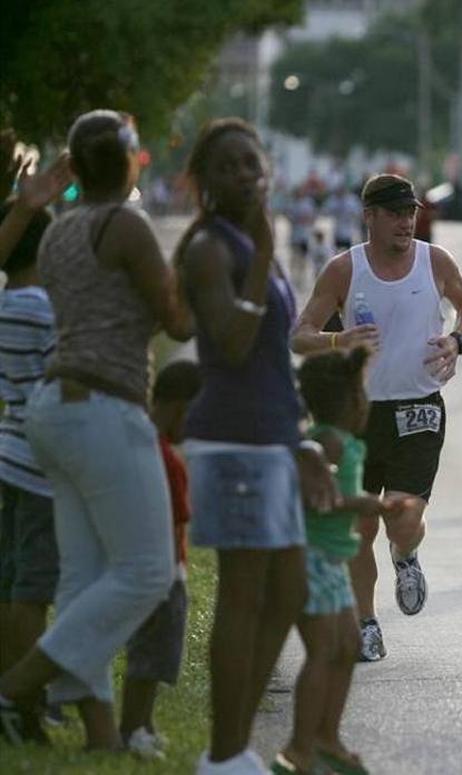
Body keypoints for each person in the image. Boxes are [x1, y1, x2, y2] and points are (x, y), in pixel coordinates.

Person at [0, 110, 193, 751]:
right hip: (105, 408)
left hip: (51, 410)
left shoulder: (57, 233)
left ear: (76, 169)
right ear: (134, 162)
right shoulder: (127, 225)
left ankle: (101, 734)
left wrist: (28, 208)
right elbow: (177, 320)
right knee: (148, 571)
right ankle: (13, 688)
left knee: (83, 582)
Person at [174, 117, 338, 774]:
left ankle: (235, 743)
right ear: (205, 182)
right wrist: (265, 257)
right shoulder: (212, 248)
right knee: (243, 597)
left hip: (270, 435)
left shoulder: (250, 239)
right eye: (230, 166)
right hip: (232, 439)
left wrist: (298, 439)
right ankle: (222, 754)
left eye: (253, 163)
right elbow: (234, 345)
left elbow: (271, 357)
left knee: (289, 591)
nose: (246, 174)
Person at [291, 173, 462, 662]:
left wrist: (458, 339)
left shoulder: (434, 261)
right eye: (395, 212)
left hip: (419, 407)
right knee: (360, 528)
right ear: (369, 216)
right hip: (357, 414)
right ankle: (367, 624)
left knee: (403, 517)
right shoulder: (343, 269)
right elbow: (300, 334)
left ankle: (407, 554)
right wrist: (339, 340)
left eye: (411, 212)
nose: (405, 221)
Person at [280, 347, 387, 775]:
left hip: (334, 561)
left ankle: (328, 738)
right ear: (347, 401)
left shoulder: (344, 443)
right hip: (313, 559)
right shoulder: (325, 443)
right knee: (324, 650)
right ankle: (300, 748)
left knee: (347, 647)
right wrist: (365, 504)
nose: (367, 402)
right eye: (361, 393)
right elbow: (319, 500)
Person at [0, 191, 62, 741]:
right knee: (33, 588)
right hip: (39, 462)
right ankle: (22, 695)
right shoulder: (43, 311)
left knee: (9, 580)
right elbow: (61, 381)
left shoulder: (4, 306)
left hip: (8, 452)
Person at [119, 359, 201, 760]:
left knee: (153, 655)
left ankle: (144, 724)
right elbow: (175, 518)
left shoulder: (148, 445)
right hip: (164, 574)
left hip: (155, 568)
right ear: (181, 407)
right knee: (150, 658)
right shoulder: (164, 457)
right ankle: (133, 727)